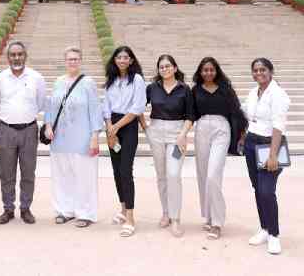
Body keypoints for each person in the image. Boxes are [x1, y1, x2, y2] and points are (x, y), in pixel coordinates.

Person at [44, 47, 102, 228]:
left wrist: (94, 135)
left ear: (81, 60)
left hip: (82, 137)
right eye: (70, 59)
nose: (73, 62)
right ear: (65, 61)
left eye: (76, 59)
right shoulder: (58, 82)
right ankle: (64, 210)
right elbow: (51, 106)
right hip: (60, 137)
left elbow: (95, 109)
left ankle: (85, 213)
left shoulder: (88, 83)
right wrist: (47, 125)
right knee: (62, 175)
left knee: (84, 176)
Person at [191, 56, 247, 240]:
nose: (208, 73)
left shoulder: (226, 89)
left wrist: (242, 133)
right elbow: (191, 114)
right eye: (205, 70)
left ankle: (217, 222)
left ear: (217, 71)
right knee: (202, 175)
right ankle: (208, 216)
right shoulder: (195, 90)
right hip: (201, 129)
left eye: (211, 69)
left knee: (213, 175)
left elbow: (237, 111)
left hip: (221, 129)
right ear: (200, 72)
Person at [0, 40, 47, 225]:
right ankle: (8, 208)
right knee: (6, 173)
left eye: (20, 54)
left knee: (28, 172)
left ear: (25, 56)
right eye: (13, 55)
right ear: (7, 57)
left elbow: (40, 104)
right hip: (6, 130)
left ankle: (25, 208)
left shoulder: (36, 78)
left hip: (29, 130)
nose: (16, 58)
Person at [240, 57, 290, 255]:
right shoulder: (254, 92)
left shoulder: (278, 94)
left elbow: (278, 126)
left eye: (262, 70)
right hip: (252, 143)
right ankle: (264, 228)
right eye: (255, 70)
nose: (259, 73)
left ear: (271, 71)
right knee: (257, 188)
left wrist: (273, 155)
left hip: (270, 144)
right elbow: (247, 115)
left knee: (267, 191)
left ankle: (274, 235)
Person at [143, 54, 195, 238]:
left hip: (176, 135)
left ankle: (176, 219)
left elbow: (190, 116)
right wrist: (146, 128)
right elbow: (139, 107)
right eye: (161, 67)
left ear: (174, 67)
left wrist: (182, 135)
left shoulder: (184, 89)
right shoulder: (152, 88)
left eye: (167, 66)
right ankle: (165, 213)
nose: (164, 69)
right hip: (156, 132)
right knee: (161, 175)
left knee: (173, 174)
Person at [102, 46, 147, 237]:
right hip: (112, 125)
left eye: (125, 57)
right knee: (116, 170)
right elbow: (105, 106)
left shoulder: (136, 79)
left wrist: (117, 126)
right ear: (114, 60)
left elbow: (137, 108)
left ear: (131, 60)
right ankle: (122, 209)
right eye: (118, 57)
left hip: (127, 126)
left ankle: (130, 216)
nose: (121, 60)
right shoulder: (110, 81)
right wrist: (109, 127)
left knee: (126, 170)